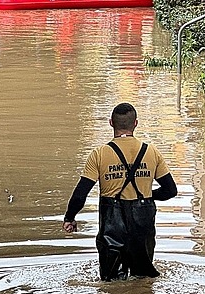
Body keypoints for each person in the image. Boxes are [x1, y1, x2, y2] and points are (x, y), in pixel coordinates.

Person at [62, 102, 178, 281]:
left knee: (111, 282)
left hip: (112, 225)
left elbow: (80, 194)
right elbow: (170, 190)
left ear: (111, 123)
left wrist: (70, 217)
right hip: (143, 223)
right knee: (143, 280)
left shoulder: (99, 154)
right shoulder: (151, 152)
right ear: (136, 123)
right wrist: (147, 194)